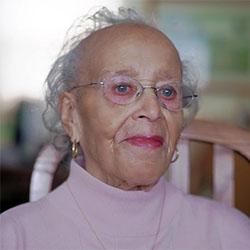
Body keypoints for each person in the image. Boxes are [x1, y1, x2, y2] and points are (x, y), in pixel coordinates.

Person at [1, 7, 250, 250]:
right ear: (71, 114)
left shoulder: (231, 234)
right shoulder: (13, 237)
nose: (153, 111)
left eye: (167, 91)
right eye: (122, 88)